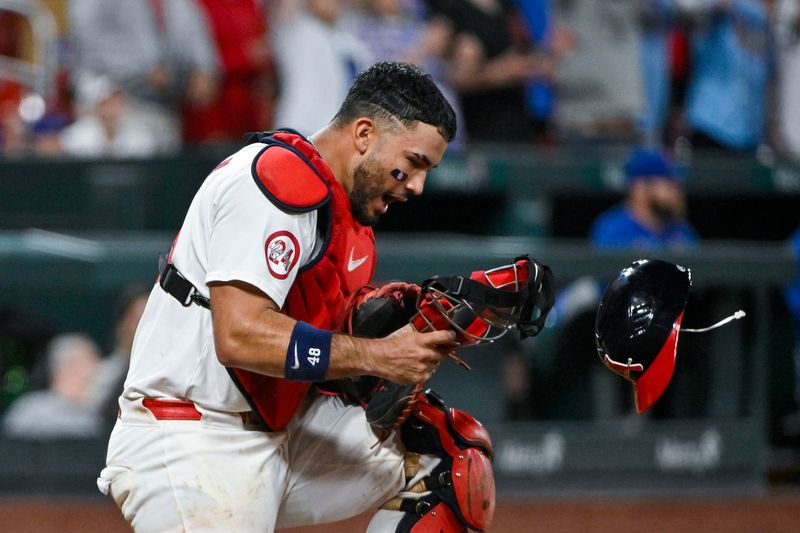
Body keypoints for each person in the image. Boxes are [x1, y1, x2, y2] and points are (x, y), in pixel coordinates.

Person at [97, 62, 476, 532]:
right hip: (190, 438)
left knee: (445, 454)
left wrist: (410, 336)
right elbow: (238, 335)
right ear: (363, 133)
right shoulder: (274, 180)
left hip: (277, 435)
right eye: (415, 162)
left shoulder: (349, 225)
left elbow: (316, 353)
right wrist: (377, 356)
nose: (418, 185)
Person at [591, 147, 698, 249]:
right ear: (640, 188)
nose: (677, 194)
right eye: (669, 187)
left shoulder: (683, 233)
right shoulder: (613, 231)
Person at [3, 333, 102, 439]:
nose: (99, 369)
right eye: (91, 361)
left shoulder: (94, 417)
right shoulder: (30, 411)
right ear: (71, 366)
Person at [90, 284, 150, 432]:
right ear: (122, 325)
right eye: (138, 320)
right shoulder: (102, 374)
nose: (146, 328)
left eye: (151, 320)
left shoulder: (178, 373)